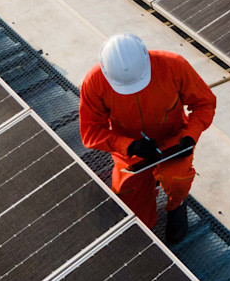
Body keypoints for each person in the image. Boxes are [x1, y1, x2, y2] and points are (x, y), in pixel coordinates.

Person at [79, 33, 216, 244]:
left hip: (174, 141)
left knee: (176, 179)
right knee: (130, 203)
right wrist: (129, 145)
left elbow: (204, 103)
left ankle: (177, 205)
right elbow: (91, 130)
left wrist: (190, 135)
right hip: (132, 151)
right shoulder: (94, 82)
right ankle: (145, 221)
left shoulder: (174, 65)